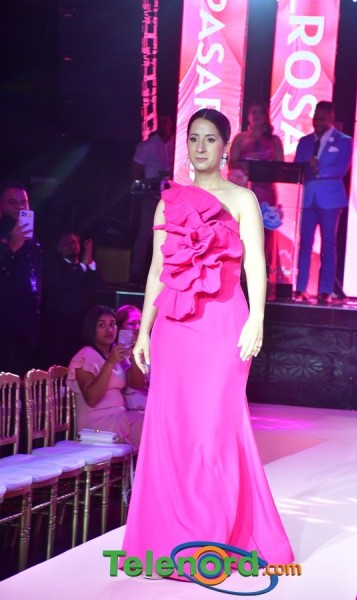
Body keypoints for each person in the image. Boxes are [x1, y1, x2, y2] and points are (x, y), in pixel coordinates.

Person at [121, 108, 293, 576]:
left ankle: (214, 539)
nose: (200, 147)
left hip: (223, 326)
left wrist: (257, 318)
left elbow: (256, 264)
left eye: (210, 139)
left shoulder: (242, 199)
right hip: (176, 326)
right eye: (194, 138)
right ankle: (169, 539)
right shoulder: (169, 201)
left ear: (225, 147)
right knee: (172, 428)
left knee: (215, 429)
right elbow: (157, 270)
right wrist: (144, 330)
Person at [293, 101, 353, 304]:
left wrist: (318, 169)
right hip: (309, 198)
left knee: (328, 244)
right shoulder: (305, 142)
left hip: (331, 200)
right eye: (315, 117)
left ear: (330, 118)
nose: (317, 121)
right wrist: (307, 166)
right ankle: (301, 288)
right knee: (305, 244)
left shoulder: (343, 141)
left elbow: (341, 169)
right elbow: (297, 167)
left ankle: (325, 290)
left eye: (322, 118)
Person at [67, 306, 144, 452]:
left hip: (119, 417)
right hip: (97, 423)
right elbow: (92, 399)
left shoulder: (114, 353)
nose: (109, 329)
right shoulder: (86, 354)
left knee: (152, 419)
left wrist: (134, 356)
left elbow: (138, 384)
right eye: (102, 325)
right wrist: (110, 363)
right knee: (147, 424)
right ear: (92, 329)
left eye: (112, 324)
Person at [228, 101, 284, 296]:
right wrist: (244, 167)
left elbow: (280, 167)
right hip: (245, 189)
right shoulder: (240, 138)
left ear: (266, 116)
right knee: (244, 233)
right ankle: (240, 276)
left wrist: (264, 169)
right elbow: (231, 163)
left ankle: (265, 277)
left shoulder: (274, 140)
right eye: (253, 111)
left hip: (266, 191)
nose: (257, 114)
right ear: (248, 116)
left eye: (260, 111)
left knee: (265, 235)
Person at [40, 230, 100, 368]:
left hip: (81, 324)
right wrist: (83, 265)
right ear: (59, 248)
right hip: (59, 324)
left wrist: (90, 263)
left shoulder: (85, 267)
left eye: (74, 242)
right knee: (58, 361)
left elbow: (100, 287)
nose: (71, 246)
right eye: (66, 243)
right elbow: (64, 283)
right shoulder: (53, 266)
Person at [0, 180, 42, 376]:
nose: (19, 207)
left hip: (28, 322)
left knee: (20, 380)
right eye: (12, 202)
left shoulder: (32, 238)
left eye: (23, 202)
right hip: (5, 324)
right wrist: (11, 249)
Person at [131, 115, 175, 285]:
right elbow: (135, 170)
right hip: (153, 197)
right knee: (144, 235)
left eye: (166, 120)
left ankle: (171, 276)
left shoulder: (179, 143)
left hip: (175, 199)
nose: (163, 124)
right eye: (161, 120)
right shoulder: (148, 145)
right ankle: (136, 274)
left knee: (173, 237)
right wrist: (146, 186)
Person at [116, 304, 148, 411]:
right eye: (132, 323)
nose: (138, 328)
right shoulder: (117, 352)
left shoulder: (147, 348)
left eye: (140, 323)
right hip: (132, 408)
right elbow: (137, 384)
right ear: (120, 327)